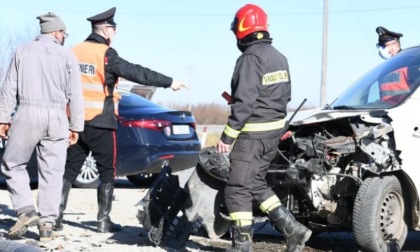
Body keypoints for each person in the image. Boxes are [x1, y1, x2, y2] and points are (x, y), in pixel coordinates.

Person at [54, 7, 188, 233]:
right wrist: (169, 81)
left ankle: (55, 217)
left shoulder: (73, 51)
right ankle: (103, 221)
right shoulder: (106, 55)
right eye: (114, 29)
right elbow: (138, 72)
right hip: (101, 122)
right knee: (107, 170)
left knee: (69, 169)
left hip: (74, 123)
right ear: (106, 29)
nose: (115, 34)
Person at [216, 4, 311, 252]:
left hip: (252, 135)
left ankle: (242, 245)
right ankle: (294, 230)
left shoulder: (249, 58)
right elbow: (283, 96)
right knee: (256, 183)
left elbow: (245, 102)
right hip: (272, 134)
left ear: (241, 28)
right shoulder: (279, 57)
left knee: (237, 188)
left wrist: (227, 136)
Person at [0, 12, 84, 242]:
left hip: (27, 113)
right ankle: (47, 224)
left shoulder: (22, 51)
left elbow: (9, 88)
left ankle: (26, 210)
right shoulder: (67, 55)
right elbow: (75, 94)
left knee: (13, 163)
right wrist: (76, 126)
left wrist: (3, 118)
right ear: (56, 32)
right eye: (64, 33)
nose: (64, 37)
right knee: (52, 172)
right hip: (57, 118)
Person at [375, 26, 410, 104]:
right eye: (380, 46)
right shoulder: (385, 68)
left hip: (404, 111)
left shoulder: (409, 63)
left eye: (384, 46)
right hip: (386, 112)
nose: (381, 49)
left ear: (394, 45)